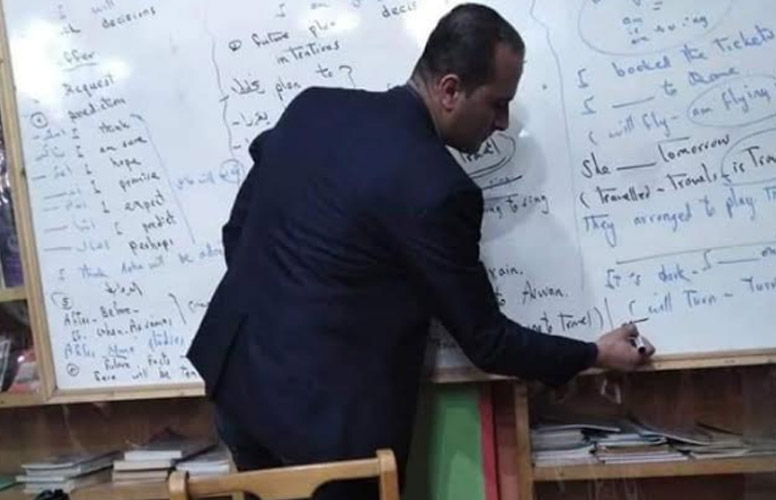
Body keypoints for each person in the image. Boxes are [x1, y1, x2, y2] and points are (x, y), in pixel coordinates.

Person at [188, 3, 654, 498]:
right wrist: (594, 353)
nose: (502, 123)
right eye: (497, 104)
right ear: (450, 90)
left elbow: (237, 231)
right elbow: (488, 341)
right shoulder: (437, 187)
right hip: (327, 439)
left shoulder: (314, 106)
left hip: (236, 385)